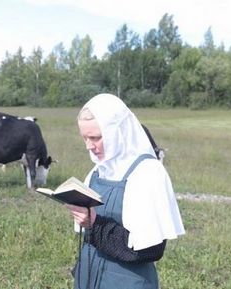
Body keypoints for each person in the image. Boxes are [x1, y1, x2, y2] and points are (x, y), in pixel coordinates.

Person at [66, 93, 185, 289]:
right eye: (85, 138)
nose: (89, 146)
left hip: (127, 281)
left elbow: (149, 250)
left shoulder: (148, 173)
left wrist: (94, 224)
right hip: (90, 275)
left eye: (95, 137)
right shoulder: (97, 171)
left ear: (118, 132)